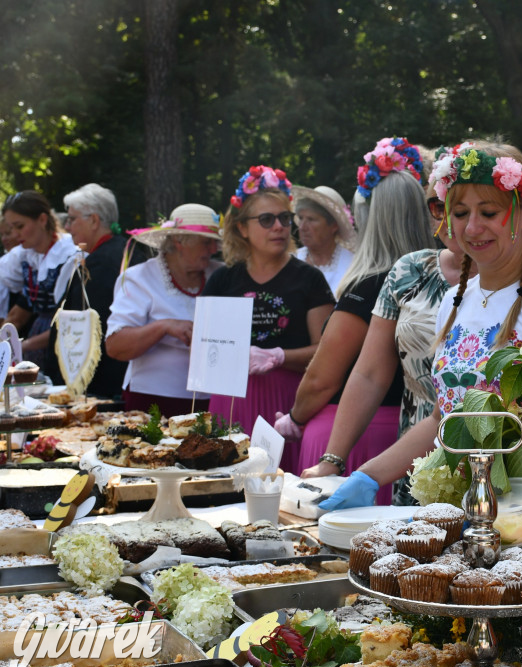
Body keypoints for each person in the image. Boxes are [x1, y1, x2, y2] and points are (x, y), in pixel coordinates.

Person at [317, 140, 522, 510]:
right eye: (461, 212)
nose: (472, 227)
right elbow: (442, 419)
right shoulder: (455, 299)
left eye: (489, 211)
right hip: (464, 512)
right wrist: (369, 474)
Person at [298, 179, 479, 506]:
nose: (454, 221)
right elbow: (369, 373)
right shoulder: (410, 270)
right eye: (442, 208)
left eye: (482, 211)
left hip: (495, 456)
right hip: (413, 452)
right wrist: (333, 460)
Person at [274, 138, 435, 498]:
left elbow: (322, 379)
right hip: (416, 433)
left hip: (357, 438)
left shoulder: (369, 285)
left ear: (368, 220)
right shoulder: (442, 279)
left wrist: (295, 418)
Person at [201, 165, 335, 473]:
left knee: (280, 487)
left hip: (286, 403)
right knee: (224, 485)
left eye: (285, 218)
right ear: (242, 228)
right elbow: (208, 352)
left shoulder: (309, 279)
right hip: (231, 401)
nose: (279, 226)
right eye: (266, 219)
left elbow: (327, 353)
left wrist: (278, 356)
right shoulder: (223, 280)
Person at [105, 204, 223, 416]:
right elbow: (115, 346)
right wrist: (164, 326)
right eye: (207, 242)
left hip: (214, 401)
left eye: (215, 242)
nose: (214, 250)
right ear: (179, 241)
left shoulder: (221, 275)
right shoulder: (139, 278)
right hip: (153, 402)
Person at [48, 183, 140, 398]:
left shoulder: (104, 263)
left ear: (94, 220)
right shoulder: (124, 251)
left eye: (72, 219)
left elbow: (89, 330)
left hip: (102, 388)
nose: (68, 227)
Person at [0, 191, 79, 374]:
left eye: (20, 226)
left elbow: (70, 322)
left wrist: (23, 345)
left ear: (42, 220)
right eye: (12, 228)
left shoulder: (68, 254)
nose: (15, 234)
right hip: (35, 342)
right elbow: (20, 312)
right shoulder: (26, 255)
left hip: (64, 341)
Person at [292, 185, 357, 295]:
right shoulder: (291, 261)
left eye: (311, 219)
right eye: (301, 218)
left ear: (334, 226)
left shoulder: (352, 264)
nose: (302, 227)